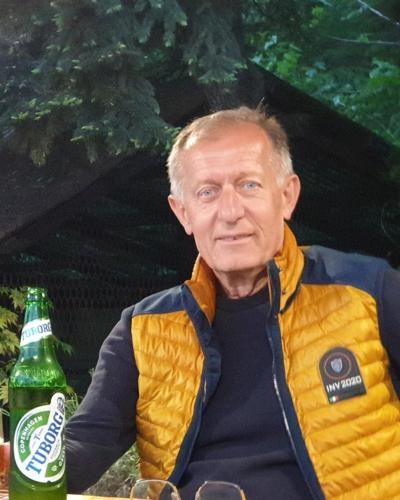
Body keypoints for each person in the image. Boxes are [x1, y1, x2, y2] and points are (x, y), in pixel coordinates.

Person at [66, 106, 400, 499]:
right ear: (183, 213)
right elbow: (85, 443)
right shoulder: (144, 328)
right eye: (207, 192)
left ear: (287, 196)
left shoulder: (368, 290)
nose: (230, 212)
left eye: (249, 185)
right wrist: (16, 464)